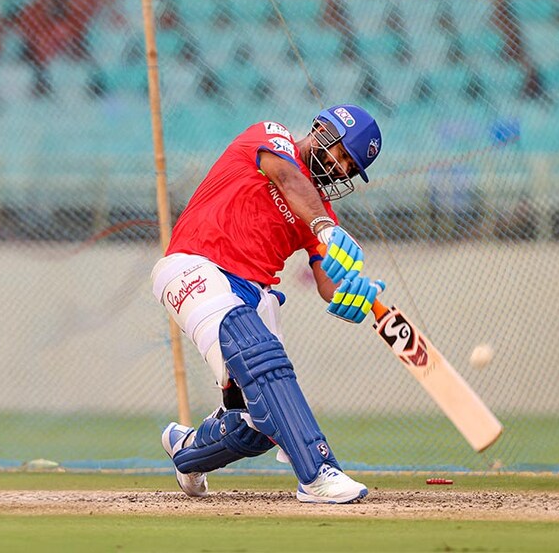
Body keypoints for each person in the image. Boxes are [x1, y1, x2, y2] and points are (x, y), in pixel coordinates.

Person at [150, 104, 385, 504]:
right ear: (323, 130)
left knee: (254, 424)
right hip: (195, 265)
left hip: (253, 293)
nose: (342, 168)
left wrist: (354, 290)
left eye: (351, 166)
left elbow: (328, 282)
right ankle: (318, 471)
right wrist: (325, 227)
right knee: (262, 355)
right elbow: (288, 177)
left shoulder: (320, 212)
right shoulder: (271, 137)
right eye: (343, 154)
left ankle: (187, 452)